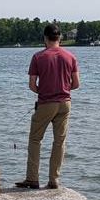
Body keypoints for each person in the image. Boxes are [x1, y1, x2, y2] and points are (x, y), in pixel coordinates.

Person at [15, 23, 80, 190]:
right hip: (65, 104)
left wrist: (44, 91)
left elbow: (32, 85)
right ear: (60, 38)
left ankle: (32, 179)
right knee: (59, 141)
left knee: (35, 139)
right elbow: (76, 84)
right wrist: (62, 89)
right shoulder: (70, 57)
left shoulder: (38, 57)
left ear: (45, 38)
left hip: (45, 103)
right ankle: (54, 180)